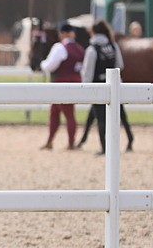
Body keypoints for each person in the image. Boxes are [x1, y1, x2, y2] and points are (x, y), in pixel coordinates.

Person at [79, 19, 132, 154]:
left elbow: (87, 72)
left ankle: (105, 148)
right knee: (120, 115)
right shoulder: (113, 45)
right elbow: (120, 65)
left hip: (98, 87)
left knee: (101, 119)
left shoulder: (92, 49)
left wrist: (86, 89)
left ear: (94, 32)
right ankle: (130, 138)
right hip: (114, 86)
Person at [39, 22, 85, 150]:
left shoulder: (60, 48)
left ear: (62, 34)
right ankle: (50, 141)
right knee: (57, 111)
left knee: (66, 113)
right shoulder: (80, 49)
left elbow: (50, 66)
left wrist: (42, 64)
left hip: (60, 83)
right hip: (75, 82)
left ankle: (70, 143)